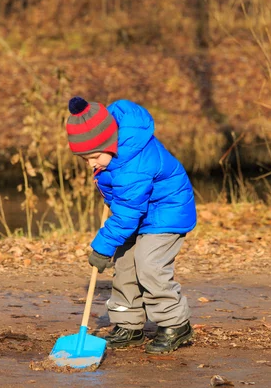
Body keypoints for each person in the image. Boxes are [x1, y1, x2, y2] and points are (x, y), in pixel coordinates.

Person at [65, 96, 197, 354]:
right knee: (125, 263)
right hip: (140, 210)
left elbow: (128, 211)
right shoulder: (113, 155)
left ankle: (175, 323)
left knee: (149, 262)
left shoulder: (133, 162)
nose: (91, 164)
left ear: (109, 144)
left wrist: (102, 247)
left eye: (93, 157)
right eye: (85, 160)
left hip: (167, 211)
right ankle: (129, 325)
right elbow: (124, 201)